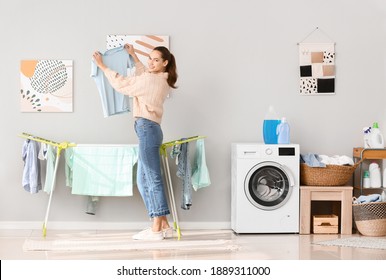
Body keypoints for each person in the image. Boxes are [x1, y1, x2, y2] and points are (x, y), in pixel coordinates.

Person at [92, 44, 178, 240]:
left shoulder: (150, 79)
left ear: (165, 63)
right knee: (143, 179)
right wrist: (134, 56)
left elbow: (123, 84)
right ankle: (163, 223)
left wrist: (102, 66)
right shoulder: (160, 80)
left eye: (156, 60)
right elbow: (144, 75)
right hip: (151, 129)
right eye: (150, 58)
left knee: (153, 178)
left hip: (147, 129)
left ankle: (157, 227)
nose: (151, 62)